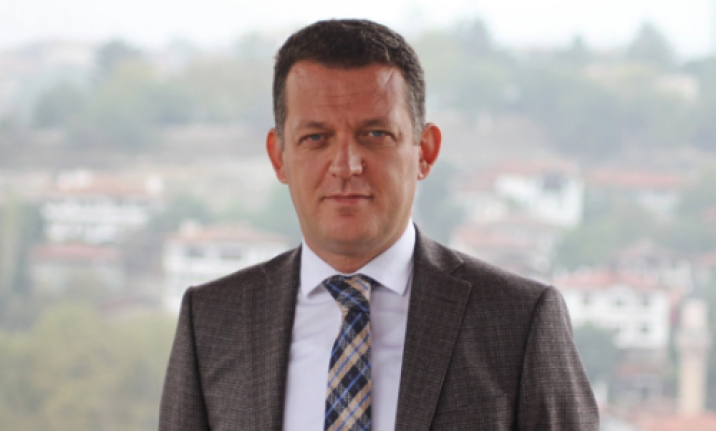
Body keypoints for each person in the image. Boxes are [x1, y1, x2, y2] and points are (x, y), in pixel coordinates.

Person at [159, 19, 598, 430]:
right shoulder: (211, 321)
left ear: (425, 150)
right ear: (279, 157)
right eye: (316, 138)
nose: (346, 165)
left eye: (375, 135)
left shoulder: (519, 320)